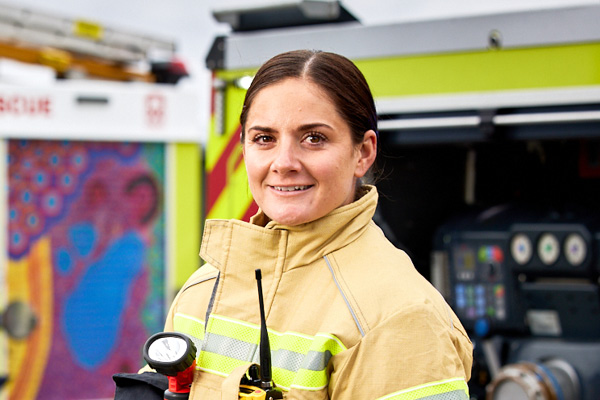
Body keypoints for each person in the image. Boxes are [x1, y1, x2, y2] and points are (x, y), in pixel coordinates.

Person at [162, 50, 472, 399]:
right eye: (265, 138)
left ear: (364, 152)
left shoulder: (399, 314)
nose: (284, 162)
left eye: (314, 138)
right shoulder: (202, 288)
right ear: (245, 150)